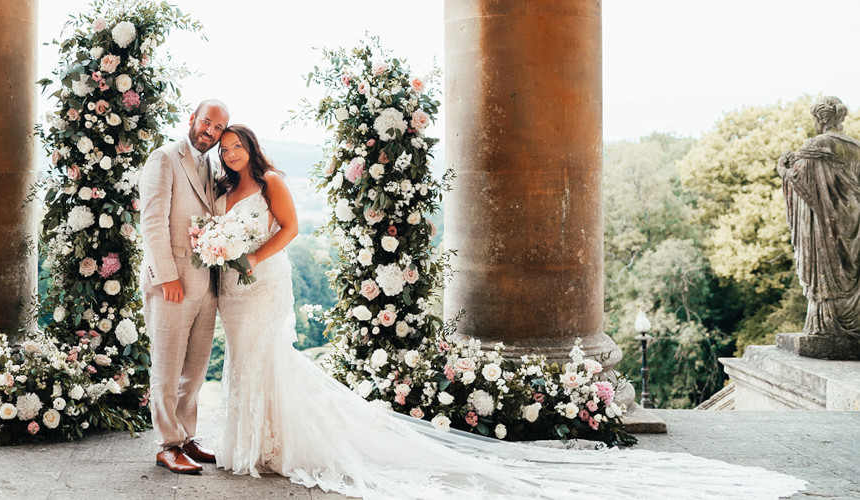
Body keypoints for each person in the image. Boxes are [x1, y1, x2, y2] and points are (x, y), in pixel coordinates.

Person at [212, 124, 806, 499]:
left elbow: (289, 230)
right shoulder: (224, 190)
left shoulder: (269, 182)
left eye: (238, 144)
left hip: (264, 284)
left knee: (270, 358)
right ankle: (247, 441)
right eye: (226, 148)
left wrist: (252, 259)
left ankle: (274, 443)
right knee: (244, 361)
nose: (233, 153)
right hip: (235, 291)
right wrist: (223, 257)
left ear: (251, 146)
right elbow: (216, 236)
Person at [139, 99, 229, 474]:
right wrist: (167, 277)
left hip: (205, 283)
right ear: (192, 119)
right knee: (167, 365)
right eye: (206, 122)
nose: (210, 131)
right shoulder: (163, 158)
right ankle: (167, 444)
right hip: (172, 284)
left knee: (194, 368)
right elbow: (153, 222)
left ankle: (187, 436)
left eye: (218, 128)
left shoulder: (212, 163)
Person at [777, 96, 860, 338]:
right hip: (855, 220)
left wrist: (783, 169)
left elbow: (801, 181)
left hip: (828, 225)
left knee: (829, 271)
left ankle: (825, 325)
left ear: (819, 118)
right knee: (853, 272)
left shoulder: (816, 146)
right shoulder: (856, 148)